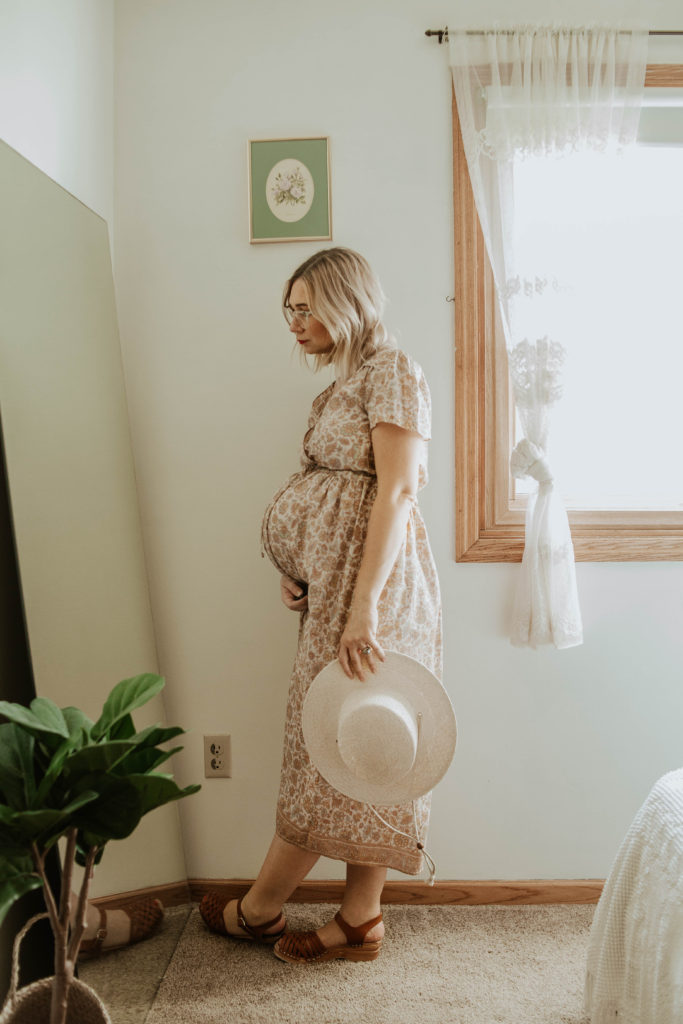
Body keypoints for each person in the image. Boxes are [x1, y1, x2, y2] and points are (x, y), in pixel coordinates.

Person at [200, 247, 442, 964]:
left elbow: (395, 492)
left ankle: (261, 908)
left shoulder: (393, 371)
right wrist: (299, 568)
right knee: (346, 746)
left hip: (377, 590)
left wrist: (361, 607)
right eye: (289, 311)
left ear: (346, 300)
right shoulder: (337, 387)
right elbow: (328, 492)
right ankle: (359, 919)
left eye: (306, 307)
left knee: (360, 742)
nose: (294, 322)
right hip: (333, 588)